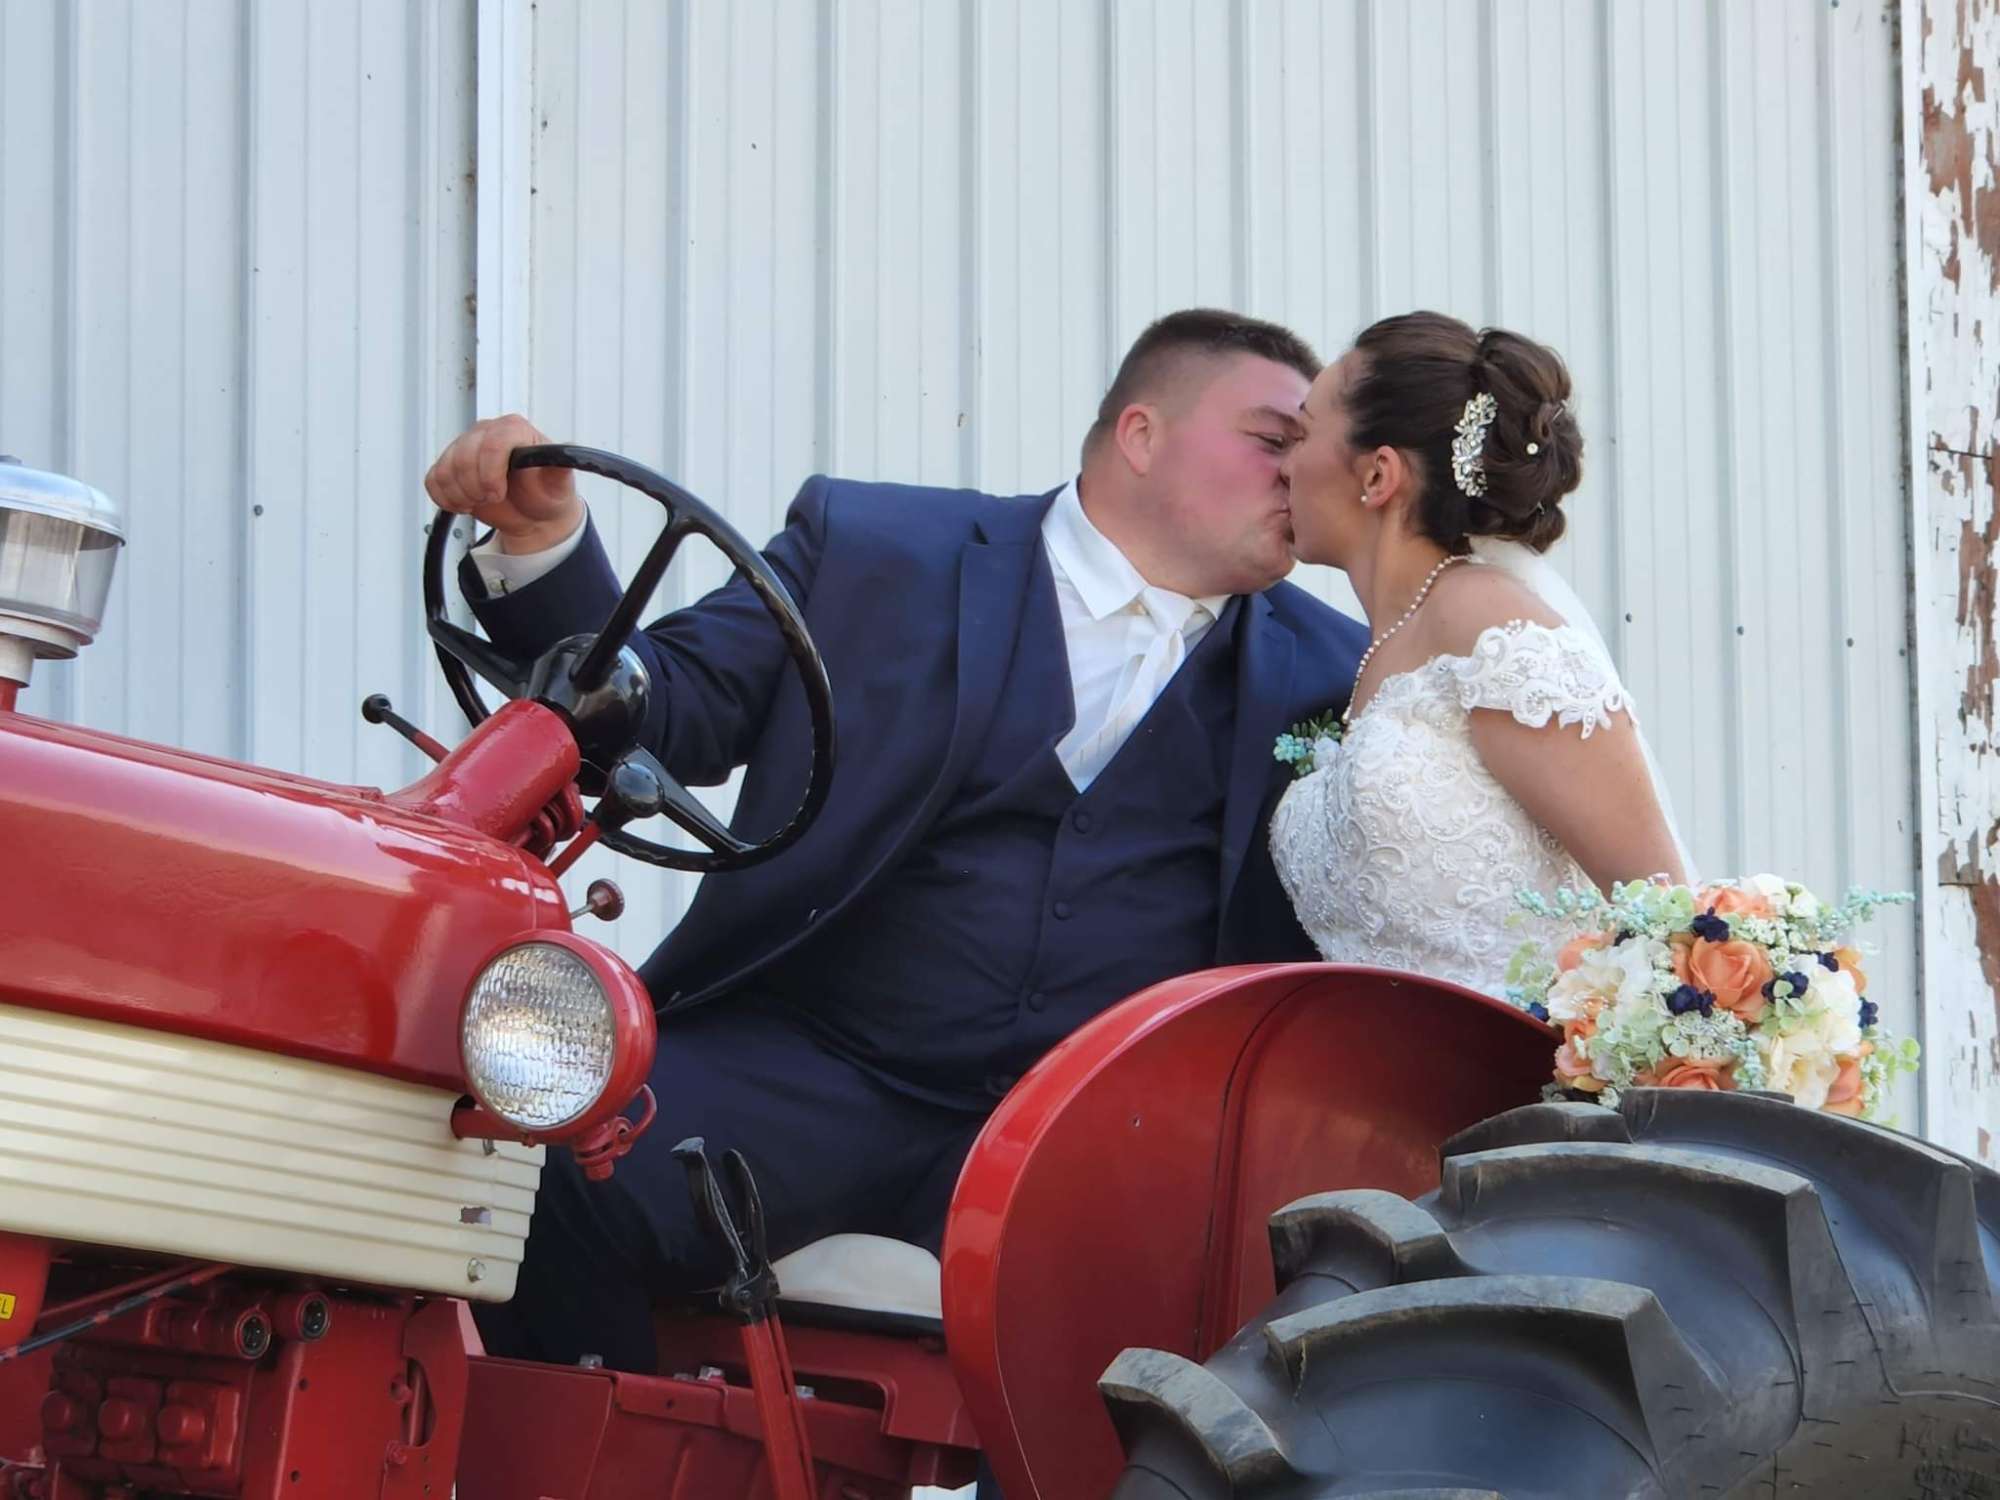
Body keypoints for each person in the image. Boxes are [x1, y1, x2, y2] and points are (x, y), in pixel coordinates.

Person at [423, 308, 1368, 1372]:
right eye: (1273, 440)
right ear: (1141, 436)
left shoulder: (1334, 671)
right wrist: (543, 542)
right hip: (811, 1068)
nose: (1301, 473)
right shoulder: (873, 549)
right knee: (543, 1167)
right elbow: (668, 708)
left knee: (1217, 1322)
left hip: (1086, 1138)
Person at [1271, 310, 1692, 994]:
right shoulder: (1385, 646)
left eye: (1299, 435)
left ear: (1378, 475)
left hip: (1517, 1055)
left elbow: (1671, 916)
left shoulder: (1493, 630)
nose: (1282, 466)